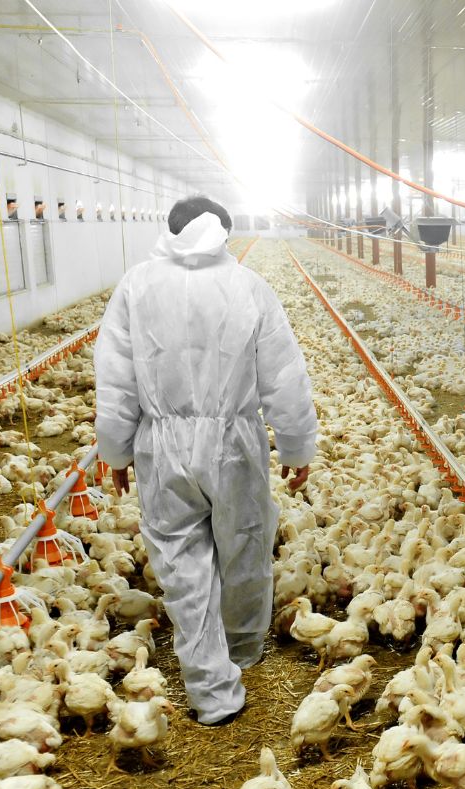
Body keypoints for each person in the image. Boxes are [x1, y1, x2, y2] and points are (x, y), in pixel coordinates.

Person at [94, 196, 317, 726]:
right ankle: (242, 647)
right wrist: (295, 444)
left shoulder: (136, 286)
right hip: (235, 441)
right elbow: (283, 373)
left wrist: (117, 450)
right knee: (244, 543)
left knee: (178, 561)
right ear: (224, 230)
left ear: (168, 230)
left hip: (162, 442)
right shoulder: (247, 286)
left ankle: (211, 689)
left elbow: (116, 378)